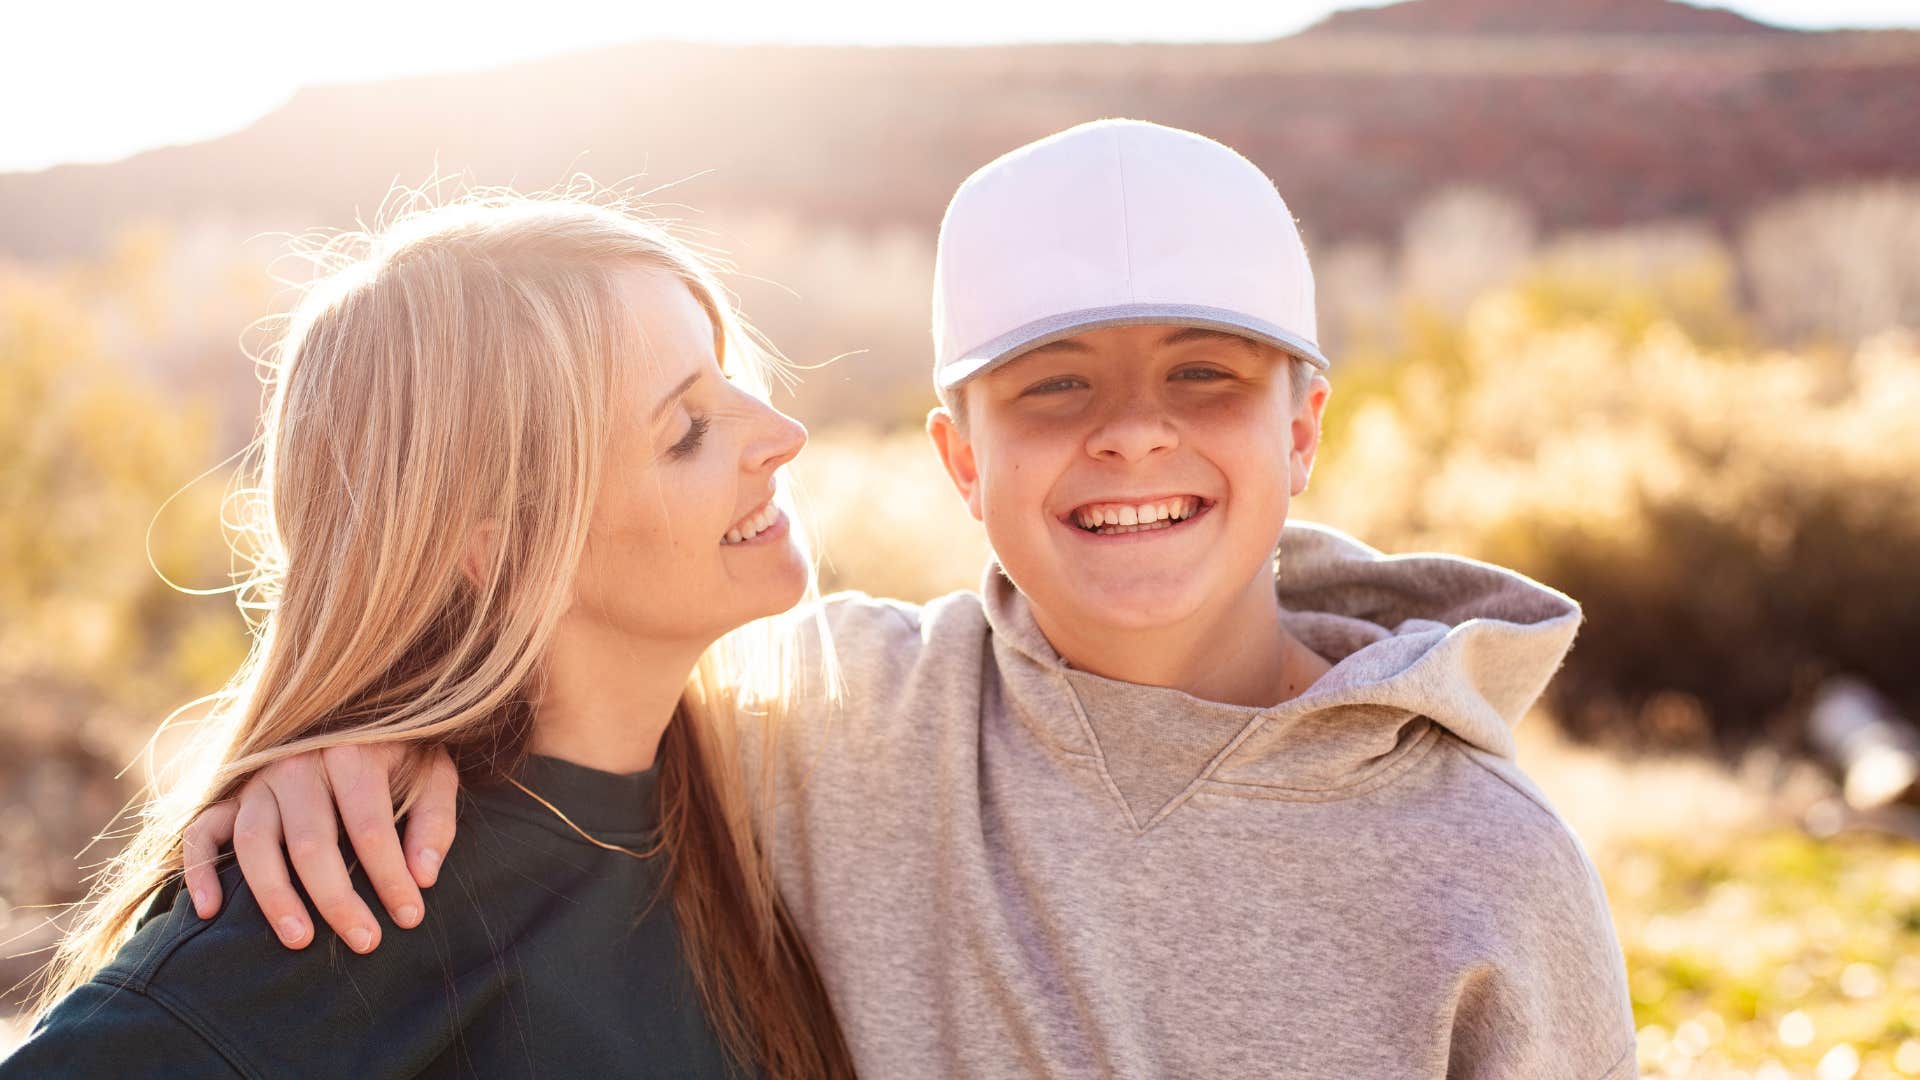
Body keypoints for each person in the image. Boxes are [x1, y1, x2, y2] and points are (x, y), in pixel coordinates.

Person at [178, 120, 1639, 1077]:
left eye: (1206, 374)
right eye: (1054, 388)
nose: (1133, 433)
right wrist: (352, 749)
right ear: (958, 456)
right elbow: (554, 677)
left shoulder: (1486, 868)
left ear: (1304, 428)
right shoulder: (825, 723)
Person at [3, 195, 855, 1078]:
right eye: (687, 431)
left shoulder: (777, 787)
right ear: (509, 552)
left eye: (725, 377)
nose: (784, 436)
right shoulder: (351, 900)